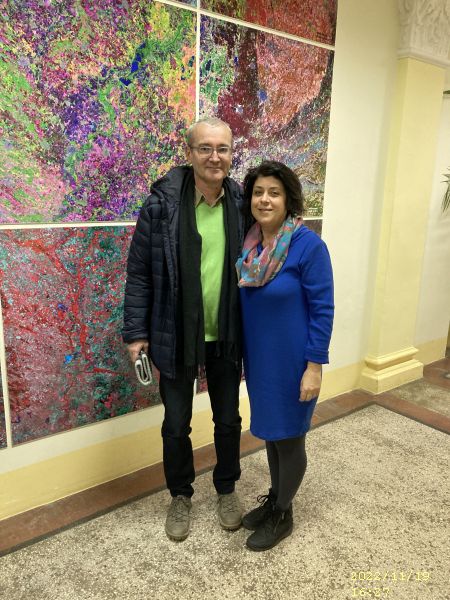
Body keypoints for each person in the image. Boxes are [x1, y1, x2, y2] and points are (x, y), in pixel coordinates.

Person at [123, 117, 244, 542]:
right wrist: (135, 334)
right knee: (176, 424)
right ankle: (180, 494)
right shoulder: (160, 206)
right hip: (175, 332)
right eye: (205, 148)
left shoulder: (241, 203)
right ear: (189, 153)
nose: (215, 157)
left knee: (228, 419)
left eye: (223, 148)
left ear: (231, 154)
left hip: (226, 333)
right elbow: (139, 273)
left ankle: (227, 488)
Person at [236, 160, 334, 551]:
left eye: (273, 193)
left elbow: (323, 310)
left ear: (288, 199)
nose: (265, 199)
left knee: (290, 438)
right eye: (258, 192)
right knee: (273, 434)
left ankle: (283, 514)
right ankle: (276, 498)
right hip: (262, 362)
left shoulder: (309, 246)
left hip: (294, 362)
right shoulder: (250, 245)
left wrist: (314, 367)